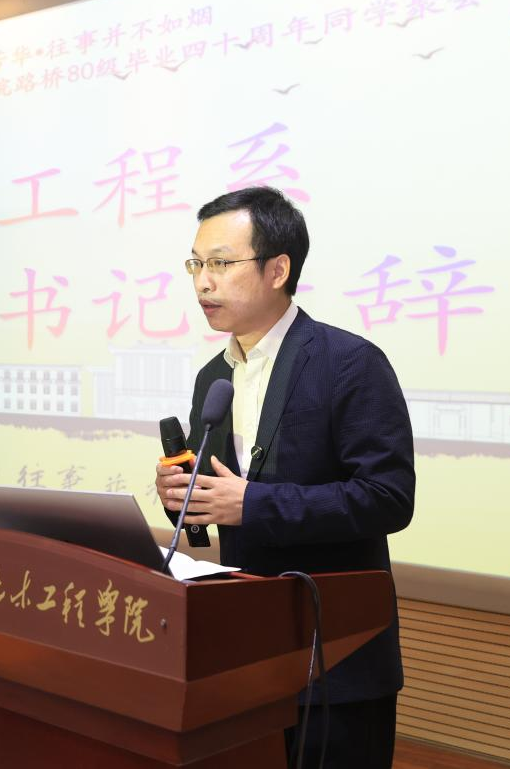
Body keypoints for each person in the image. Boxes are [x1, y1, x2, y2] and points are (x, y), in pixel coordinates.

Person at [155, 186, 415, 768]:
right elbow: (221, 497)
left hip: (335, 653)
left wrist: (251, 504)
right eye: (196, 265)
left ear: (278, 270)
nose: (203, 283)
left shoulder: (349, 363)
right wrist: (183, 496)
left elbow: (388, 498)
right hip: (244, 652)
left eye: (221, 263)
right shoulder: (213, 377)